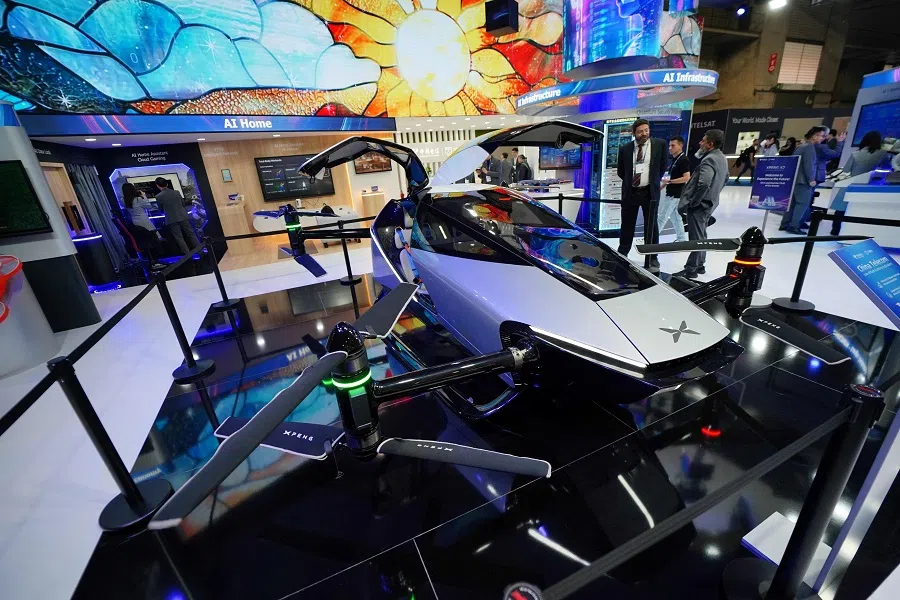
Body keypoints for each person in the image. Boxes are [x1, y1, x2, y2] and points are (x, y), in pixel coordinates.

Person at [675, 129, 728, 279]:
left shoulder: (709, 159)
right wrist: (714, 194)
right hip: (710, 203)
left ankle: (691, 269)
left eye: (703, 140)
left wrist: (694, 202)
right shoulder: (721, 157)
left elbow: (704, 183)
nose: (700, 143)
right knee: (702, 235)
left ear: (710, 144)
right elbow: (726, 179)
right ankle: (700, 265)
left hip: (701, 205)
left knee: (696, 239)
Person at [616, 118, 667, 270]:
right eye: (640, 132)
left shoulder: (659, 145)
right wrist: (631, 182)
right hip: (631, 192)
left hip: (649, 192)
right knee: (627, 224)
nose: (644, 134)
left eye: (646, 130)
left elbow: (662, 167)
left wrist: (651, 181)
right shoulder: (625, 149)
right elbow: (621, 171)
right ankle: (623, 253)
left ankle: (652, 257)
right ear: (634, 133)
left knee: (651, 226)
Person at [830, 130, 887, 235]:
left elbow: (847, 170)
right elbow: (886, 167)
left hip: (852, 183)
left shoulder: (855, 154)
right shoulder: (882, 154)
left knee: (841, 209)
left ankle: (835, 230)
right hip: (870, 185)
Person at [779, 127, 826, 234]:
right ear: (815, 136)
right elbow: (809, 165)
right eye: (821, 136)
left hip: (795, 180)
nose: (823, 138)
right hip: (803, 181)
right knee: (802, 204)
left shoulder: (801, 147)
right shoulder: (809, 148)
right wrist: (811, 179)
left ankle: (785, 224)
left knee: (792, 204)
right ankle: (794, 226)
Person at [121, 182, 165, 269]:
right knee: (153, 240)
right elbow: (149, 206)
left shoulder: (123, 201)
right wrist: (144, 196)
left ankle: (151, 261)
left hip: (135, 222)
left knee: (145, 242)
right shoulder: (138, 199)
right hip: (144, 221)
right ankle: (156, 261)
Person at [154, 176, 199, 254]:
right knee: (191, 234)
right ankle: (200, 249)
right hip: (183, 216)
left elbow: (160, 210)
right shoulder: (176, 192)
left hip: (171, 219)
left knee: (179, 238)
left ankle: (187, 255)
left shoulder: (158, 196)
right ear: (167, 184)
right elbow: (183, 204)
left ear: (157, 185)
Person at [657, 136, 690, 243]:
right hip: (673, 193)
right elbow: (671, 178)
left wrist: (670, 182)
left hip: (675, 195)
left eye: (673, 145)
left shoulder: (683, 160)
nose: (670, 148)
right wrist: (663, 185)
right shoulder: (676, 159)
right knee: (676, 218)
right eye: (669, 145)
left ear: (681, 146)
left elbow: (686, 177)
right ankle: (681, 239)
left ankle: (651, 239)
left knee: (662, 217)